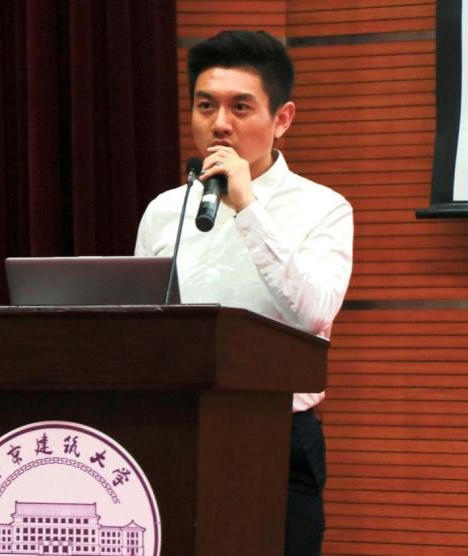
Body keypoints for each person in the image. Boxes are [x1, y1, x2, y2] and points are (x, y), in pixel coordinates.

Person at [134, 30, 353, 554]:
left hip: (276, 436)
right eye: (205, 105)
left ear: (283, 119)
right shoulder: (165, 209)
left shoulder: (323, 208)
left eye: (240, 107)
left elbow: (315, 313)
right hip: (177, 429)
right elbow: (144, 322)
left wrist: (248, 208)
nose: (219, 124)